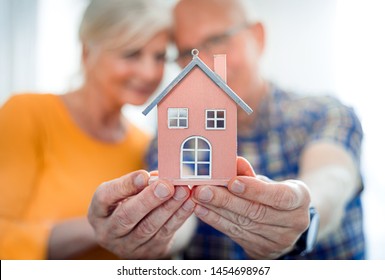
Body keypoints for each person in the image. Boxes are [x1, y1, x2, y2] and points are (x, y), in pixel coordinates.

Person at [88, 0, 364, 259]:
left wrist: (305, 212)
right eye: (187, 53)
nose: (205, 65)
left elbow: (332, 177)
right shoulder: (168, 135)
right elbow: (179, 207)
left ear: (257, 37)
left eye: (217, 40)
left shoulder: (323, 113)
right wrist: (153, 235)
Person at [0, 0, 188, 259]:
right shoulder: (27, 113)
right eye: (132, 53)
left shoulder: (144, 145)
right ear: (88, 52)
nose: (149, 72)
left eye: (159, 57)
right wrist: (99, 227)